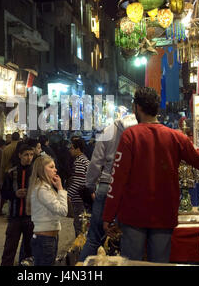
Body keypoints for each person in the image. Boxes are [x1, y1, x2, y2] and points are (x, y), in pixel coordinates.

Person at [102, 87, 199, 263]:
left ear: (137, 107)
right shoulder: (176, 137)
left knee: (132, 263)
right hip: (164, 214)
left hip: (133, 216)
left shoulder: (130, 136)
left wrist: (108, 216)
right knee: (160, 263)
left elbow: (117, 180)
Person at [78, 112, 137, 262]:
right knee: (128, 237)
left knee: (94, 238)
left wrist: (90, 185)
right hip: (130, 187)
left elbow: (96, 162)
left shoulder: (110, 130)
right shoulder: (140, 130)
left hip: (106, 185)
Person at [26, 155, 68, 266]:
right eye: (51, 167)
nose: (55, 170)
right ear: (42, 169)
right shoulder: (42, 189)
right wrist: (60, 189)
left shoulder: (45, 188)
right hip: (45, 239)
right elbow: (63, 210)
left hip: (49, 237)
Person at [1, 144, 34, 266]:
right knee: (9, 249)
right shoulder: (11, 173)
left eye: (31, 155)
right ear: (20, 155)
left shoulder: (36, 173)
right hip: (14, 217)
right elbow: (4, 193)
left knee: (30, 250)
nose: (29, 158)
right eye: (26, 155)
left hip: (31, 218)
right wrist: (15, 194)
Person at [67, 138, 90, 237]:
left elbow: (78, 181)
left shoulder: (79, 161)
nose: (70, 150)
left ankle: (80, 249)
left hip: (79, 199)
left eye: (72, 148)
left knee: (80, 226)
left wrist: (67, 195)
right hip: (83, 198)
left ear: (78, 149)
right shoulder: (84, 159)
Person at [0, 132, 21, 216]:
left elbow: (2, 165)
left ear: (11, 138)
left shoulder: (6, 149)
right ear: (19, 138)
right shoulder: (21, 148)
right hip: (18, 173)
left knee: (9, 194)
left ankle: (10, 212)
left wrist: (0, 179)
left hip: (7, 174)